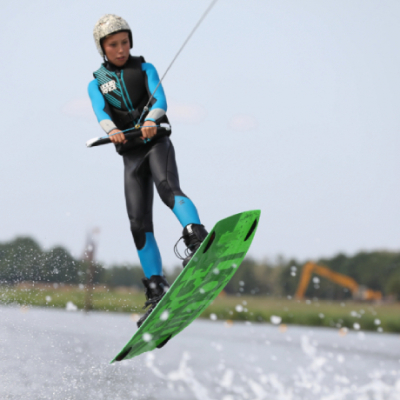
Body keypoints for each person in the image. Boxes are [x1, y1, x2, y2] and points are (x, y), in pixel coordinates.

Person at [88, 14, 208, 327]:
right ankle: (157, 290)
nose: (121, 49)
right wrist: (112, 129)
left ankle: (197, 239)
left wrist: (152, 119)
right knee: (138, 225)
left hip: (155, 145)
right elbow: (101, 113)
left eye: (125, 42)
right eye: (113, 44)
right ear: (103, 47)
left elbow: (160, 99)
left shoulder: (145, 69)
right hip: (131, 155)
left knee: (168, 189)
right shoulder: (96, 83)